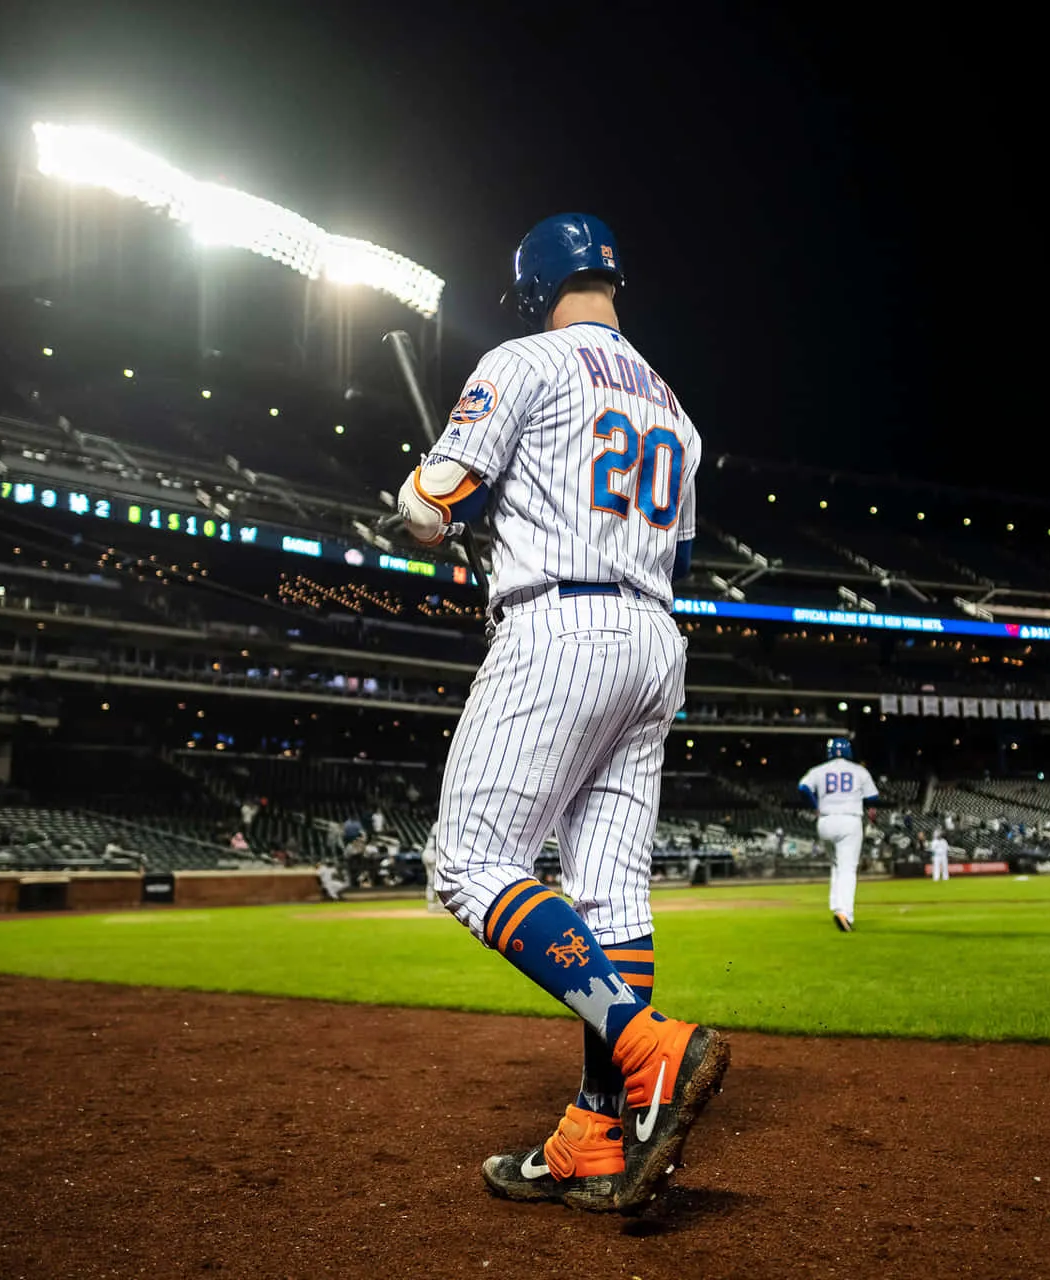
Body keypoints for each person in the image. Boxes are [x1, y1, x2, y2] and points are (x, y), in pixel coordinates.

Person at [401, 213, 724, 1214]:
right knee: (613, 901)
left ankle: (646, 1046)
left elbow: (429, 498)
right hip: (652, 641)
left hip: (561, 631)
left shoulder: (525, 359)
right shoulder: (675, 408)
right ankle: (593, 1128)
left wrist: (435, 511)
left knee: (467, 860)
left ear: (533, 287)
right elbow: (670, 545)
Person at [797, 738, 880, 932]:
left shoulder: (819, 770)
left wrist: (816, 806)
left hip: (825, 821)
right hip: (849, 820)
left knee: (836, 864)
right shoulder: (859, 771)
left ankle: (835, 905)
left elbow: (803, 788)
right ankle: (845, 913)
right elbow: (872, 797)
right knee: (848, 869)